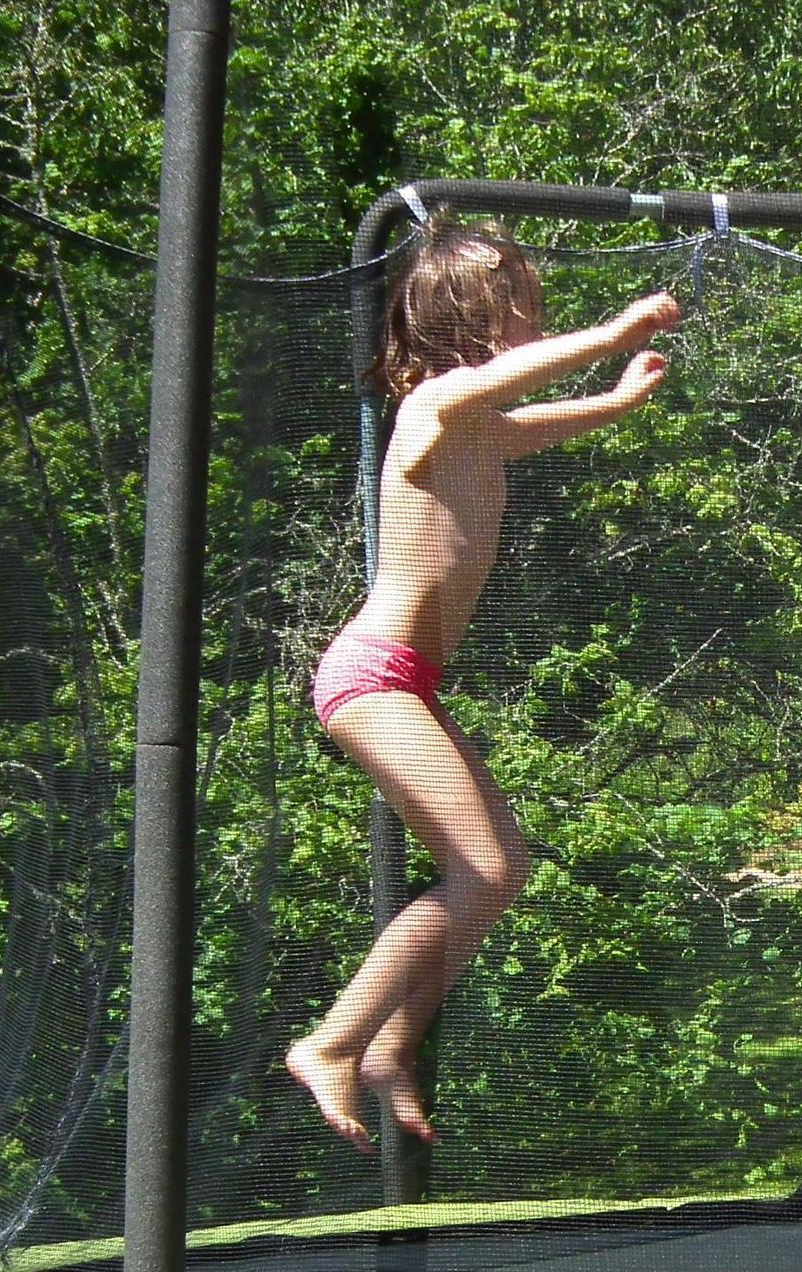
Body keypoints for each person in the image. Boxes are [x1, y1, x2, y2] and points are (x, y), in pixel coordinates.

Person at [288, 217, 682, 1149]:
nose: (535, 323)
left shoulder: (474, 429)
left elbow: (535, 423)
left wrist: (616, 402)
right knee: (486, 868)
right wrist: (612, 336)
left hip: (406, 681)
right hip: (371, 677)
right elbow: (504, 386)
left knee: (504, 868)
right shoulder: (432, 405)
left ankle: (391, 1049)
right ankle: (332, 1043)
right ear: (473, 318)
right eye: (524, 309)